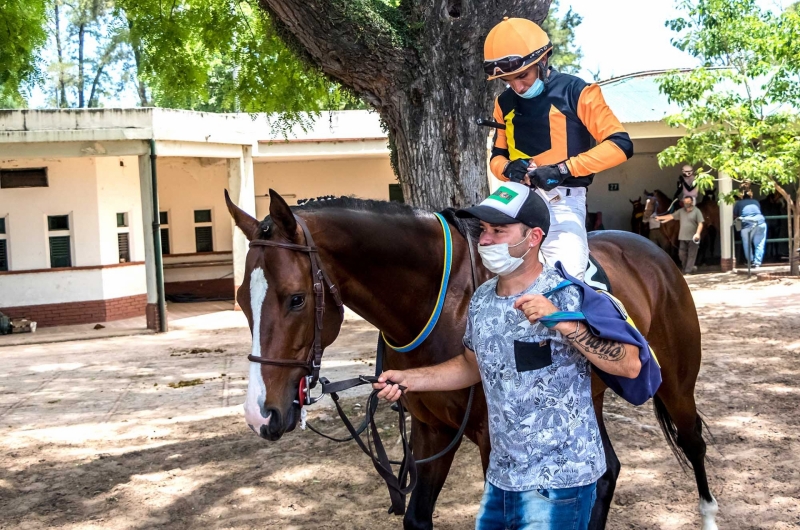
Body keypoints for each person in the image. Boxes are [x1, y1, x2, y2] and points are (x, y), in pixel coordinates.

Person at [373, 183, 642, 530]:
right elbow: (472, 365)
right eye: (484, 230)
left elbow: (629, 363)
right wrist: (411, 379)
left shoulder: (568, 293)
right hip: (503, 480)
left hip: (561, 481)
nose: (485, 240)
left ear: (533, 238)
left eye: (499, 231)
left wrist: (564, 323)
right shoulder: (482, 300)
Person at [484, 17, 633, 280]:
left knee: (565, 279)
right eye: (508, 80)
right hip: (515, 197)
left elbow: (620, 145)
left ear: (542, 61)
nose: (517, 87)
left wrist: (564, 169)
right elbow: (497, 158)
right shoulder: (503, 102)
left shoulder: (578, 91)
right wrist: (508, 169)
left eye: (522, 76)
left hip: (562, 200)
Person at [656, 196, 704, 274]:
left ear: (691, 202)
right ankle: (688, 268)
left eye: (688, 202)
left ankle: (688, 271)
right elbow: (671, 216)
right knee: (681, 254)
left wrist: (698, 234)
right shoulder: (681, 211)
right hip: (682, 237)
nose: (686, 203)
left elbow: (700, 224)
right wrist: (660, 217)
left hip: (693, 237)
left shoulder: (697, 211)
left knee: (692, 254)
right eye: (685, 202)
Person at [734, 190, 767, 268]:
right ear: (751, 196)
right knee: (759, 243)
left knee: (747, 243)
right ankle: (757, 263)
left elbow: (735, 215)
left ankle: (750, 261)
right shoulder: (756, 202)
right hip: (760, 222)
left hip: (747, 225)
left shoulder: (738, 203)